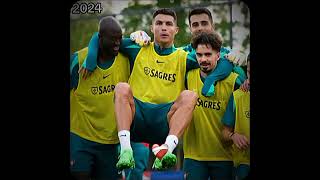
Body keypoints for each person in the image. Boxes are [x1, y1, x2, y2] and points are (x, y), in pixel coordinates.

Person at [183, 31, 241, 180]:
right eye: (199, 55)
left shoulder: (234, 81)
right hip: (193, 157)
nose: (203, 59)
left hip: (225, 157)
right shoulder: (188, 77)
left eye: (208, 54)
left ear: (218, 55)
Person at [222, 53, 250, 180]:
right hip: (243, 165)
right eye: (249, 71)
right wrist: (233, 136)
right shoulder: (237, 96)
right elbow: (224, 132)